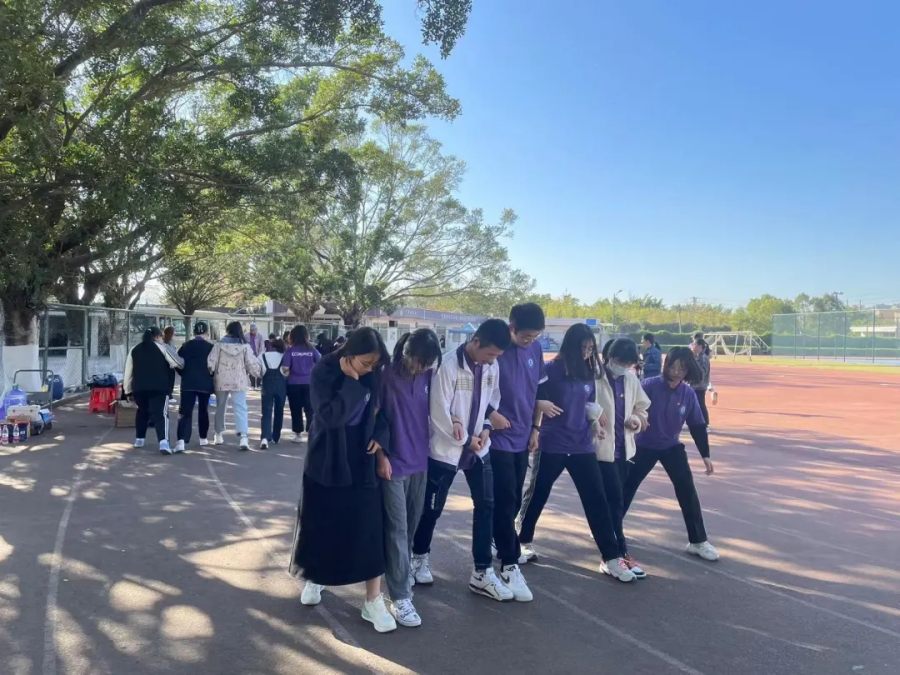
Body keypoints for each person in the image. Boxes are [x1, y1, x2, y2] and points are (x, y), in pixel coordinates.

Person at [289, 327, 396, 633]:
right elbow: (330, 417)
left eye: (374, 364)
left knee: (369, 528)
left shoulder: (372, 373)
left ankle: (373, 600)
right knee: (320, 523)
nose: (370, 369)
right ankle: (315, 577)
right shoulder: (322, 371)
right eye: (365, 363)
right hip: (327, 458)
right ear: (348, 353)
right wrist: (351, 382)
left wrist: (381, 441)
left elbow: (380, 413)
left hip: (362, 457)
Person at [516, 324, 636, 582]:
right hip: (553, 444)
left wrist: (595, 423)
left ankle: (611, 558)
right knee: (538, 493)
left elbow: (588, 403)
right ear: (570, 346)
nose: (586, 352)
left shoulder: (588, 371)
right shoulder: (550, 369)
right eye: (583, 347)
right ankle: (522, 541)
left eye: (590, 348)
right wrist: (536, 420)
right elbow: (531, 397)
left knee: (597, 499)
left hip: (581, 445)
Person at [410, 319, 515, 602]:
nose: (491, 360)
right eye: (489, 354)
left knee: (487, 505)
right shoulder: (447, 366)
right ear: (475, 342)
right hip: (446, 448)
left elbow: (492, 401)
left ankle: (482, 571)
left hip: (479, 446)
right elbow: (438, 412)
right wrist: (466, 440)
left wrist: (486, 428)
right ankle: (418, 557)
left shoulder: (492, 366)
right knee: (432, 508)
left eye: (496, 357)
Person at [487, 303, 558, 600]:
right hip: (497, 439)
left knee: (514, 499)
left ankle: (499, 540)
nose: (530, 341)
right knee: (505, 500)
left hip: (522, 436)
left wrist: (535, 428)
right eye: (526, 336)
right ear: (512, 327)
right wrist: (490, 415)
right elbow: (475, 390)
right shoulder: (496, 348)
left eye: (535, 336)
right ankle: (509, 563)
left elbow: (539, 390)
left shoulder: (535, 349)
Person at [623, 347, 719, 561]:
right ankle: (609, 528)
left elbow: (697, 425)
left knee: (687, 490)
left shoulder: (688, 394)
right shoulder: (649, 385)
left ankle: (698, 541)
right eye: (673, 367)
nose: (676, 372)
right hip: (644, 446)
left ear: (688, 370)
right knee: (626, 487)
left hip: (671, 447)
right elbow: (629, 409)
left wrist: (705, 455)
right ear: (666, 365)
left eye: (682, 369)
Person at [376, 328, 443, 627]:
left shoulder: (429, 377)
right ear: (407, 354)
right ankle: (400, 597)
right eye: (419, 361)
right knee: (397, 528)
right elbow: (374, 418)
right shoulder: (385, 375)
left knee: (410, 527)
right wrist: (381, 456)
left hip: (420, 462)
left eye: (428, 362)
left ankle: (397, 575)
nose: (422, 367)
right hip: (393, 464)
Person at [595, 337, 651, 578]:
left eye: (628, 364)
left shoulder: (631, 379)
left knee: (614, 504)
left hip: (624, 450)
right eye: (620, 362)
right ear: (609, 357)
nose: (623, 367)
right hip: (599, 451)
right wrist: (593, 416)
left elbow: (642, 407)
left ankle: (615, 554)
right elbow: (580, 404)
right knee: (612, 503)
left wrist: (636, 420)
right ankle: (617, 554)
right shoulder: (594, 376)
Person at [124, 327, 183, 454]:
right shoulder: (162, 347)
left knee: (142, 412)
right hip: (159, 387)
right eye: (161, 336)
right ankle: (164, 442)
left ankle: (139, 439)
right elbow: (178, 363)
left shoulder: (134, 349)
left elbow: (128, 372)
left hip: (139, 388)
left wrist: (127, 390)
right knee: (161, 414)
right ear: (157, 336)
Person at [208, 321, 260, 451]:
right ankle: (243, 437)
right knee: (241, 407)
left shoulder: (218, 344)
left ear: (228, 330)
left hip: (221, 379)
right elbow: (251, 364)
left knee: (220, 407)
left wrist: (211, 373)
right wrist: (259, 373)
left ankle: (218, 434)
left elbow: (211, 363)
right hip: (239, 380)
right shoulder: (245, 346)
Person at [176, 321, 215, 451]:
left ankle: (181, 440)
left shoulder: (185, 346)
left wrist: (183, 374)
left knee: (185, 411)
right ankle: (203, 437)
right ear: (207, 332)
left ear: (194, 332)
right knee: (203, 410)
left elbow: (177, 363)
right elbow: (214, 365)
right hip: (205, 382)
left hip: (188, 382)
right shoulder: (211, 347)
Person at [282, 326, 321, 442]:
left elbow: (285, 368)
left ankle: (298, 434)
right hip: (309, 383)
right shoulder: (312, 349)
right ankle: (312, 432)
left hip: (293, 383)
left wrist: (289, 373)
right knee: (310, 409)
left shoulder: (290, 350)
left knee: (296, 409)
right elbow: (320, 362)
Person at [258, 338, 287, 449]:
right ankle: (276, 436)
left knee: (266, 412)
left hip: (267, 384)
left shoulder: (263, 356)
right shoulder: (284, 356)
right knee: (279, 410)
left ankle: (265, 438)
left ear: (271, 346)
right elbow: (287, 371)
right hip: (281, 385)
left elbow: (258, 371)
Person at [690, 338, 715, 429]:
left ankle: (706, 424)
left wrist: (693, 370)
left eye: (695, 345)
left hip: (700, 385)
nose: (693, 346)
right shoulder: (695, 356)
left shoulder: (704, 358)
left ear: (700, 347)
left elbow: (703, 372)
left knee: (700, 405)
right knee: (692, 404)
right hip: (693, 385)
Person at [247, 323, 265, 389]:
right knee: (251, 369)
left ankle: (258, 384)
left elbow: (262, 347)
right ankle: (252, 384)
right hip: (250, 355)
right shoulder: (246, 336)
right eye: (252, 330)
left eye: (255, 330)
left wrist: (259, 356)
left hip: (258, 355)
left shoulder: (260, 336)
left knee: (259, 369)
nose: (254, 331)